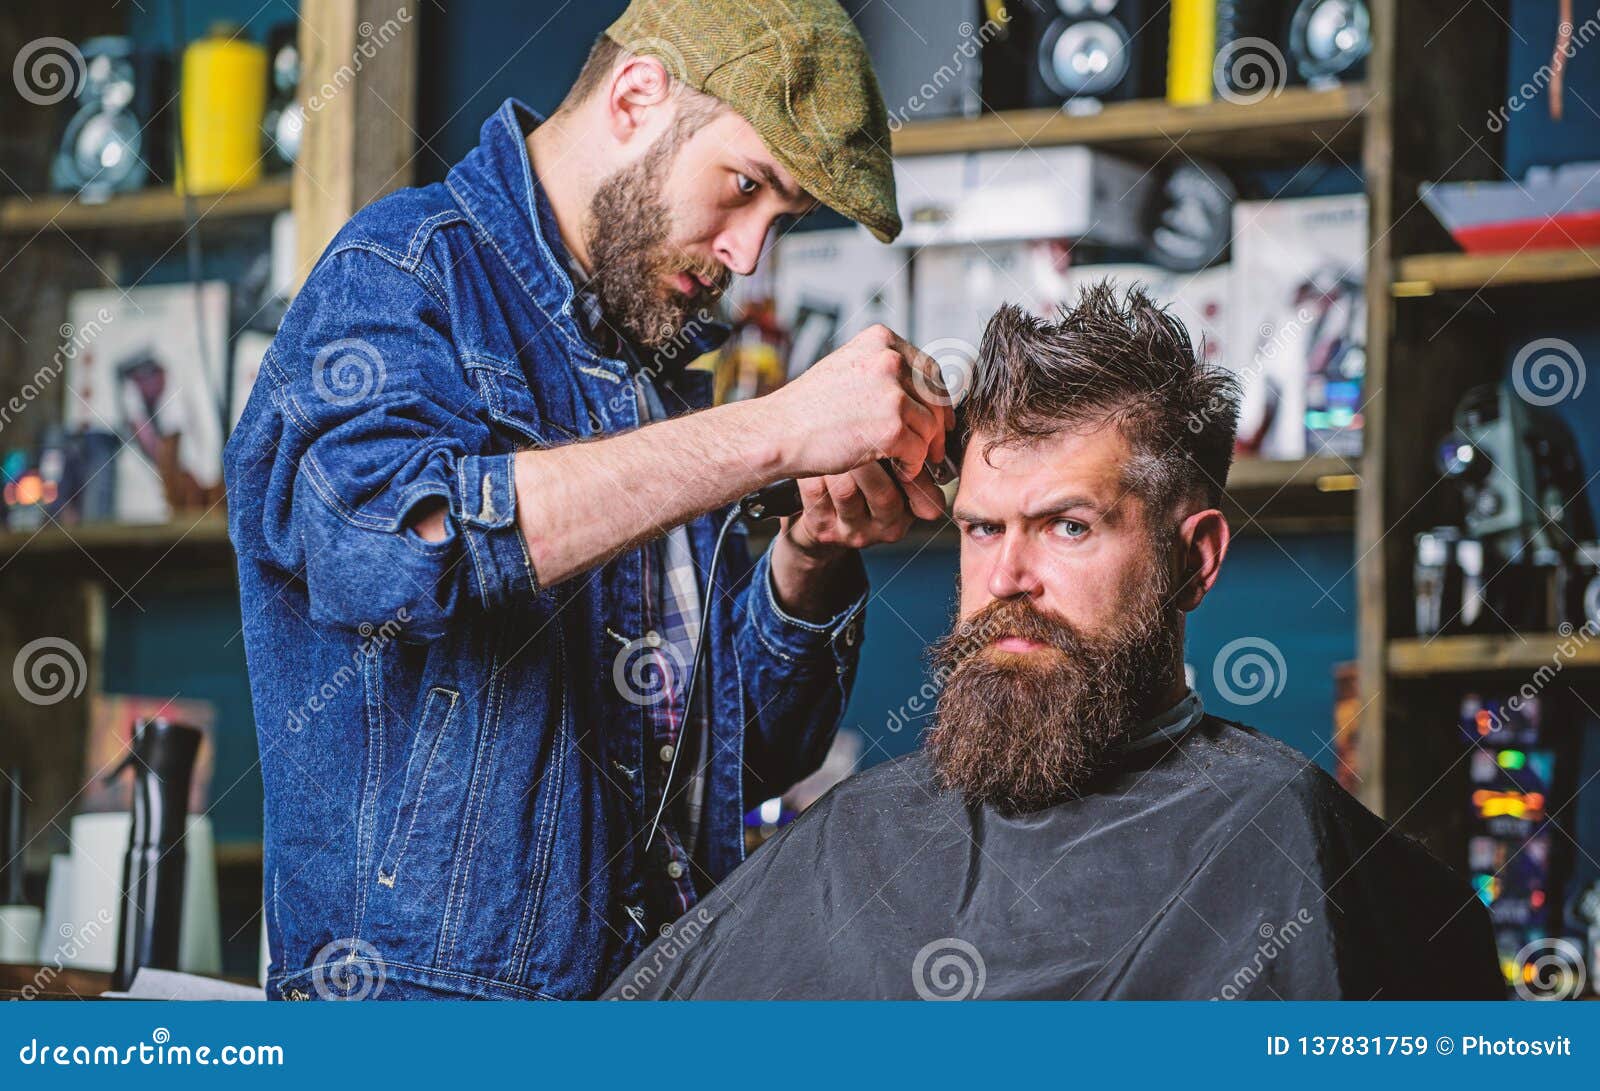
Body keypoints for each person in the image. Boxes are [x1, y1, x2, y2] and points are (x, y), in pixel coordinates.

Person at [224, 0, 954, 1000]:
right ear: (636, 94)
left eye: (777, 220)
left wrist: (810, 553)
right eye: (743, 187)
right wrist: (773, 431)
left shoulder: (652, 373)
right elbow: (389, 546)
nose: (747, 255)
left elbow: (746, 756)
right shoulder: (400, 271)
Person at [604, 285, 1505, 1001]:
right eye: (983, 529)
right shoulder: (855, 840)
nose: (1006, 579)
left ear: (1195, 560)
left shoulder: (1283, 845)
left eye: (1068, 527)